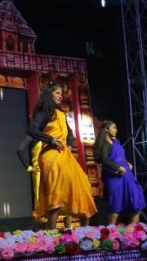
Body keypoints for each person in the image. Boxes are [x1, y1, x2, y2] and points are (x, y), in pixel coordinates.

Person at [27, 82, 96, 229]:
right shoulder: (44, 112)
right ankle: (51, 234)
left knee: (82, 185)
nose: (60, 96)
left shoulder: (61, 114)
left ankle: (84, 233)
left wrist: (69, 146)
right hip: (50, 155)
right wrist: (51, 140)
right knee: (56, 191)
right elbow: (32, 130)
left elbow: (70, 134)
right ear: (49, 94)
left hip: (64, 154)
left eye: (61, 94)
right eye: (57, 93)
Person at [93, 119, 146, 225]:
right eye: (113, 128)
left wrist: (128, 163)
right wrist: (118, 168)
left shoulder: (116, 142)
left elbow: (121, 156)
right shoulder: (104, 144)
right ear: (106, 129)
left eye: (116, 128)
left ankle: (131, 231)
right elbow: (104, 160)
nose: (116, 130)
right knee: (116, 204)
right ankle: (110, 231)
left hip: (126, 175)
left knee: (137, 200)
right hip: (113, 176)